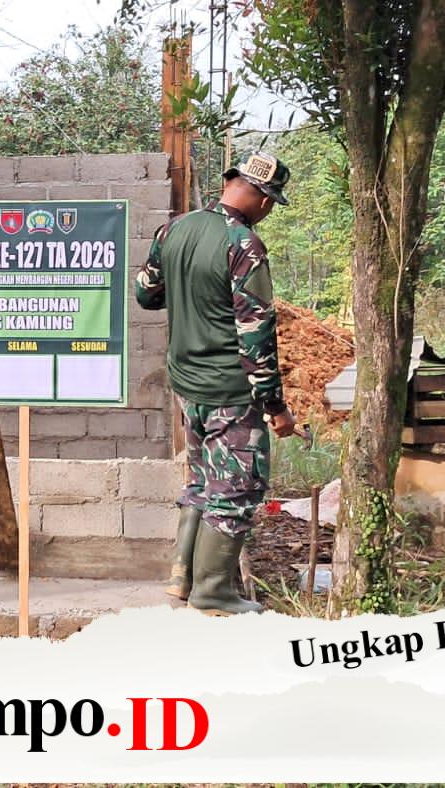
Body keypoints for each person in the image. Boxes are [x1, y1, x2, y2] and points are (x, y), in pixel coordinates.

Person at [134, 152, 297, 615]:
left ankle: (181, 579)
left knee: (203, 480)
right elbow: (256, 335)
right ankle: (214, 592)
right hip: (231, 390)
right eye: (272, 203)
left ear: (229, 182)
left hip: (187, 385)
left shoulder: (173, 230)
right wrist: (274, 406)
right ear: (263, 199)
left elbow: (146, 293)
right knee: (237, 488)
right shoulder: (244, 245)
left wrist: (189, 288)